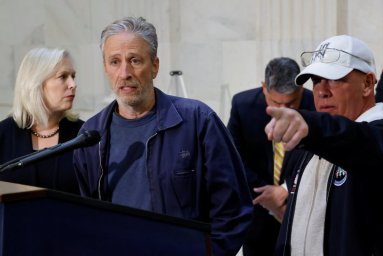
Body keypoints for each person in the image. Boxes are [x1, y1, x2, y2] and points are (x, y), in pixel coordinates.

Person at [73, 16, 253, 256]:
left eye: (134, 60)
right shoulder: (90, 136)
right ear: (105, 68)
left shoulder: (198, 121)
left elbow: (233, 210)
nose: (124, 72)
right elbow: (88, 219)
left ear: (155, 66)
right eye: (114, 62)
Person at [265, 35, 383, 255]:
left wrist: (311, 126)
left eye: (334, 79)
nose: (322, 90)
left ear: (367, 84)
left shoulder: (374, 136)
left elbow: (359, 141)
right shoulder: (310, 141)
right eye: (316, 80)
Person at [227, 57, 315, 256]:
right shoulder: (243, 105)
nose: (284, 111)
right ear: (264, 88)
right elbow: (234, 159)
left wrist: (286, 192)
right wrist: (269, 199)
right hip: (257, 219)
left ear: (301, 89)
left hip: (302, 216)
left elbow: (321, 159)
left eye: (291, 104)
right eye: (276, 103)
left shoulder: (317, 106)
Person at [0, 47, 84, 194]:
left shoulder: (83, 135)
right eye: (63, 76)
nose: (73, 84)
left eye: (73, 76)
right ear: (36, 83)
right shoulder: (4, 134)